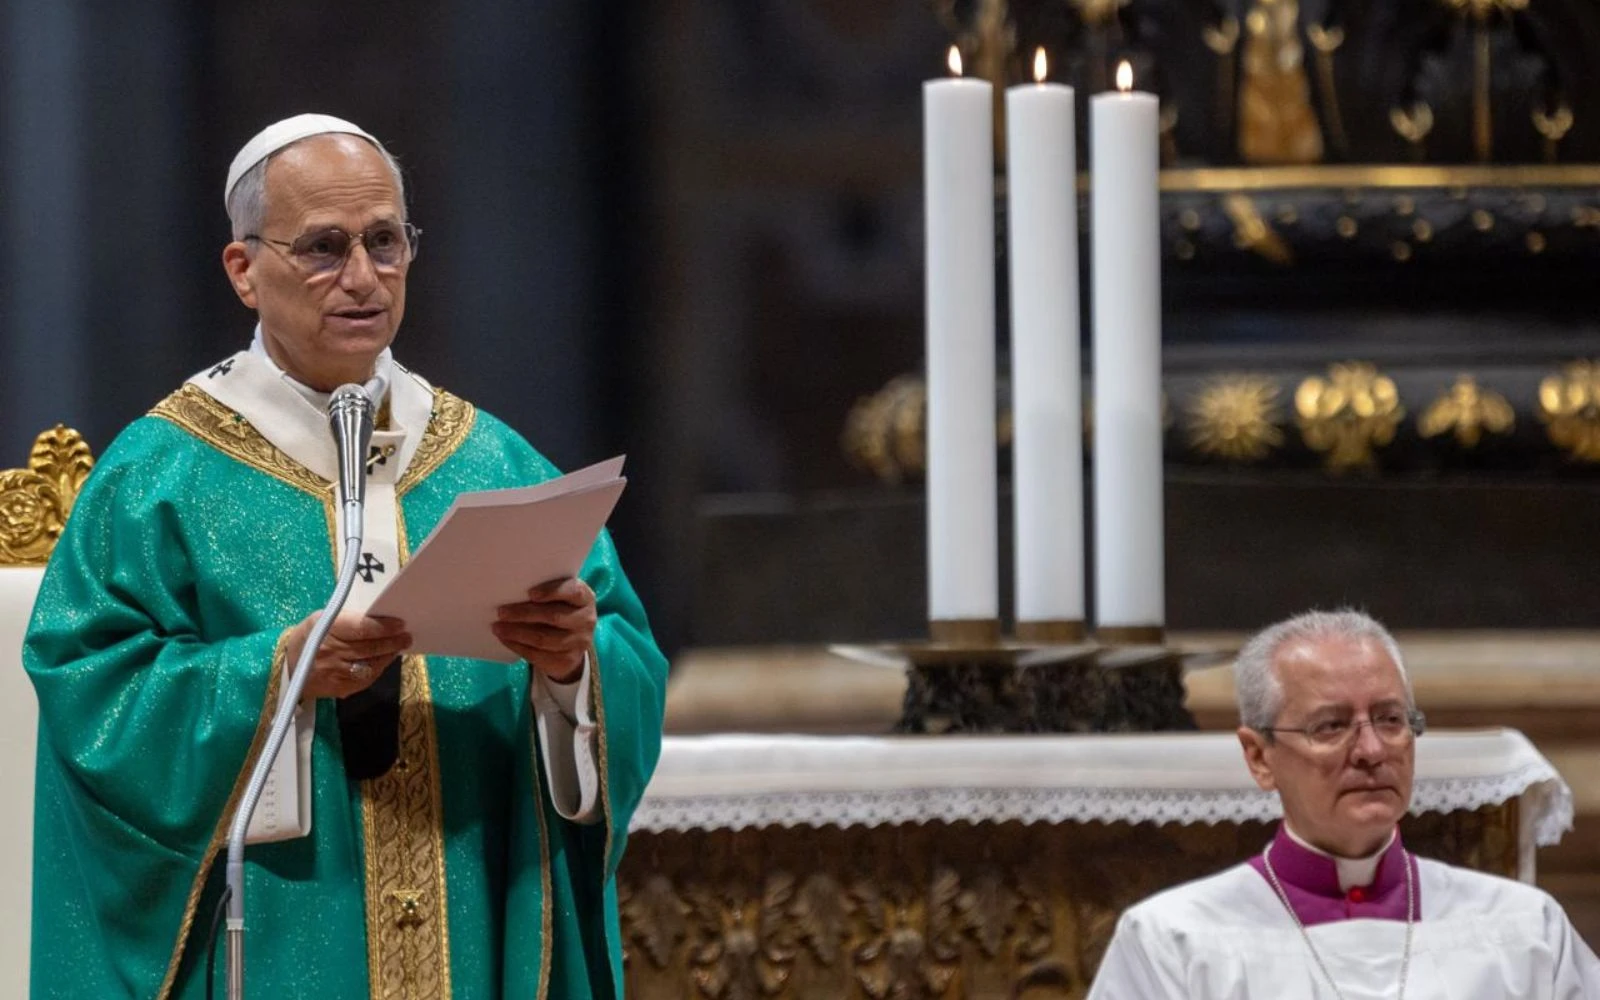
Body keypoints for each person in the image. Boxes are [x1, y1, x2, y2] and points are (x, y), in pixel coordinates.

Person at [24, 114, 667, 1000]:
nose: (363, 278)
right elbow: (89, 690)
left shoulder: (490, 461)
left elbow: (626, 653)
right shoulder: (158, 477)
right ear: (243, 270)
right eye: (324, 247)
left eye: (385, 241)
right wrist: (276, 673)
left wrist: (573, 669)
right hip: (277, 931)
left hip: (467, 912)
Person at [1088, 609, 1600, 999]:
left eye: (1390, 719)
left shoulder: (1525, 929)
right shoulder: (1171, 942)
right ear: (1259, 756)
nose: (1372, 751)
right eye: (1330, 726)